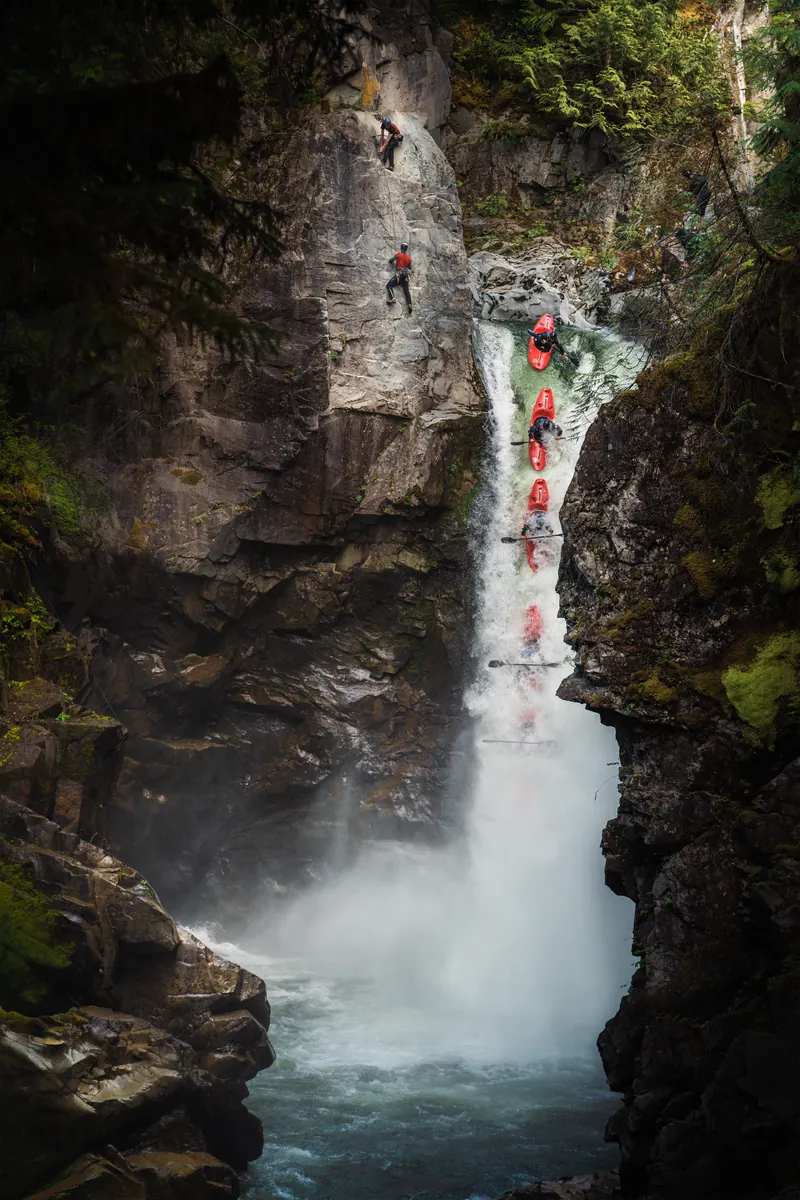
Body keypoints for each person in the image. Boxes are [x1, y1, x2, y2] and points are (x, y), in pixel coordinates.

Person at [386, 241, 412, 313]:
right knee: (406, 291)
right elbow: (410, 267)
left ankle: (392, 298)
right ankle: (409, 304)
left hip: (399, 274)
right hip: (406, 275)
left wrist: (396, 262)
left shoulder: (398, 254)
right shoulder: (409, 258)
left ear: (401, 248)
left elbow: (390, 260)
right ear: (406, 249)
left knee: (389, 285)